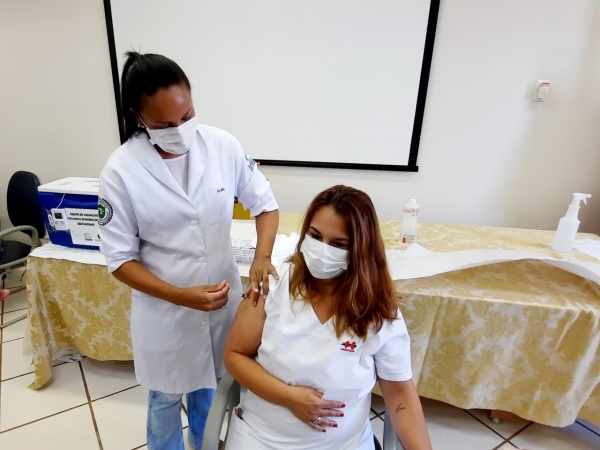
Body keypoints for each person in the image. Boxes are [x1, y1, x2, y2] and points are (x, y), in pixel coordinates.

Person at [98, 51, 279, 450]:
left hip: (221, 303)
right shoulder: (120, 171)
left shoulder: (222, 145)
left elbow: (265, 204)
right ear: (137, 116)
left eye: (187, 116)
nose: (180, 130)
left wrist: (263, 256)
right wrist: (182, 296)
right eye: (164, 124)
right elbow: (119, 260)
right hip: (165, 313)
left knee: (210, 389)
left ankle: (205, 444)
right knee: (165, 398)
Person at [223, 185, 432, 450]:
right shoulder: (273, 287)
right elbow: (235, 354)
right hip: (262, 438)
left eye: (338, 244)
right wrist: (289, 397)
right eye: (315, 235)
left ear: (360, 250)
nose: (323, 250)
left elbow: (400, 391)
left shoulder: (377, 310)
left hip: (343, 443)